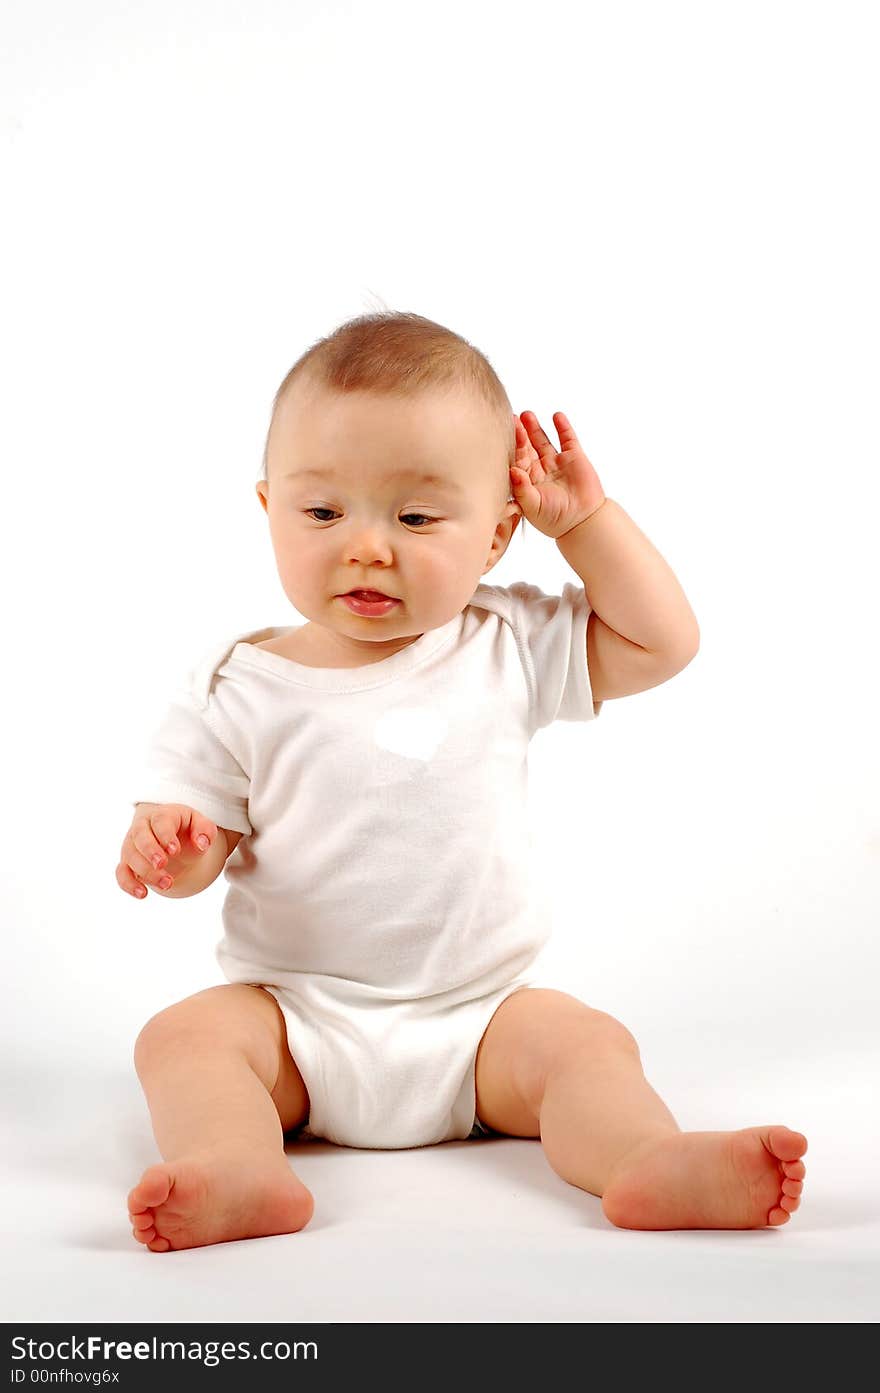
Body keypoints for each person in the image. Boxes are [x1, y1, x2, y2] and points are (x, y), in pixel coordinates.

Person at [119, 311, 807, 1253]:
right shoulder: (236, 688)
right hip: (298, 1024)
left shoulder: (505, 643)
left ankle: (646, 1158)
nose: (367, 546)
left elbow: (663, 642)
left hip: (481, 1023)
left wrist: (590, 527)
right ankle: (239, 1165)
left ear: (495, 537)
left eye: (415, 516)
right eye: (323, 511)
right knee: (182, 1038)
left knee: (587, 1044)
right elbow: (199, 853)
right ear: (268, 504)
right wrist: (175, 847)